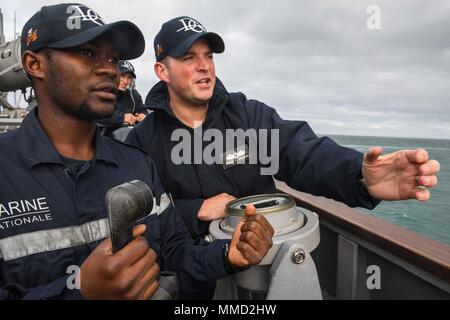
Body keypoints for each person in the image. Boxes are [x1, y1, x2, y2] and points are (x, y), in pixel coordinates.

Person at [0, 4, 273, 300]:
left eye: (114, 58)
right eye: (87, 53)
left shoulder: (136, 164)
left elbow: (177, 252)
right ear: (34, 64)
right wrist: (82, 293)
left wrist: (227, 255)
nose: (110, 69)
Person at [126, 16, 441, 239]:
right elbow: (139, 217)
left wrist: (360, 176)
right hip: (191, 276)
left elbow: (302, 154)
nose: (204, 65)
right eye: (188, 57)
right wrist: (195, 211)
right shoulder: (142, 140)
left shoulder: (250, 116)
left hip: (262, 260)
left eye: (208, 55)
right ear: (162, 71)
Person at [97, 59, 148, 138]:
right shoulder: (101, 90)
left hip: (125, 135)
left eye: (129, 77)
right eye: (122, 76)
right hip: (99, 135)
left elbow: (143, 110)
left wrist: (143, 116)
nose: (125, 81)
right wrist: (122, 117)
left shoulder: (133, 94)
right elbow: (96, 113)